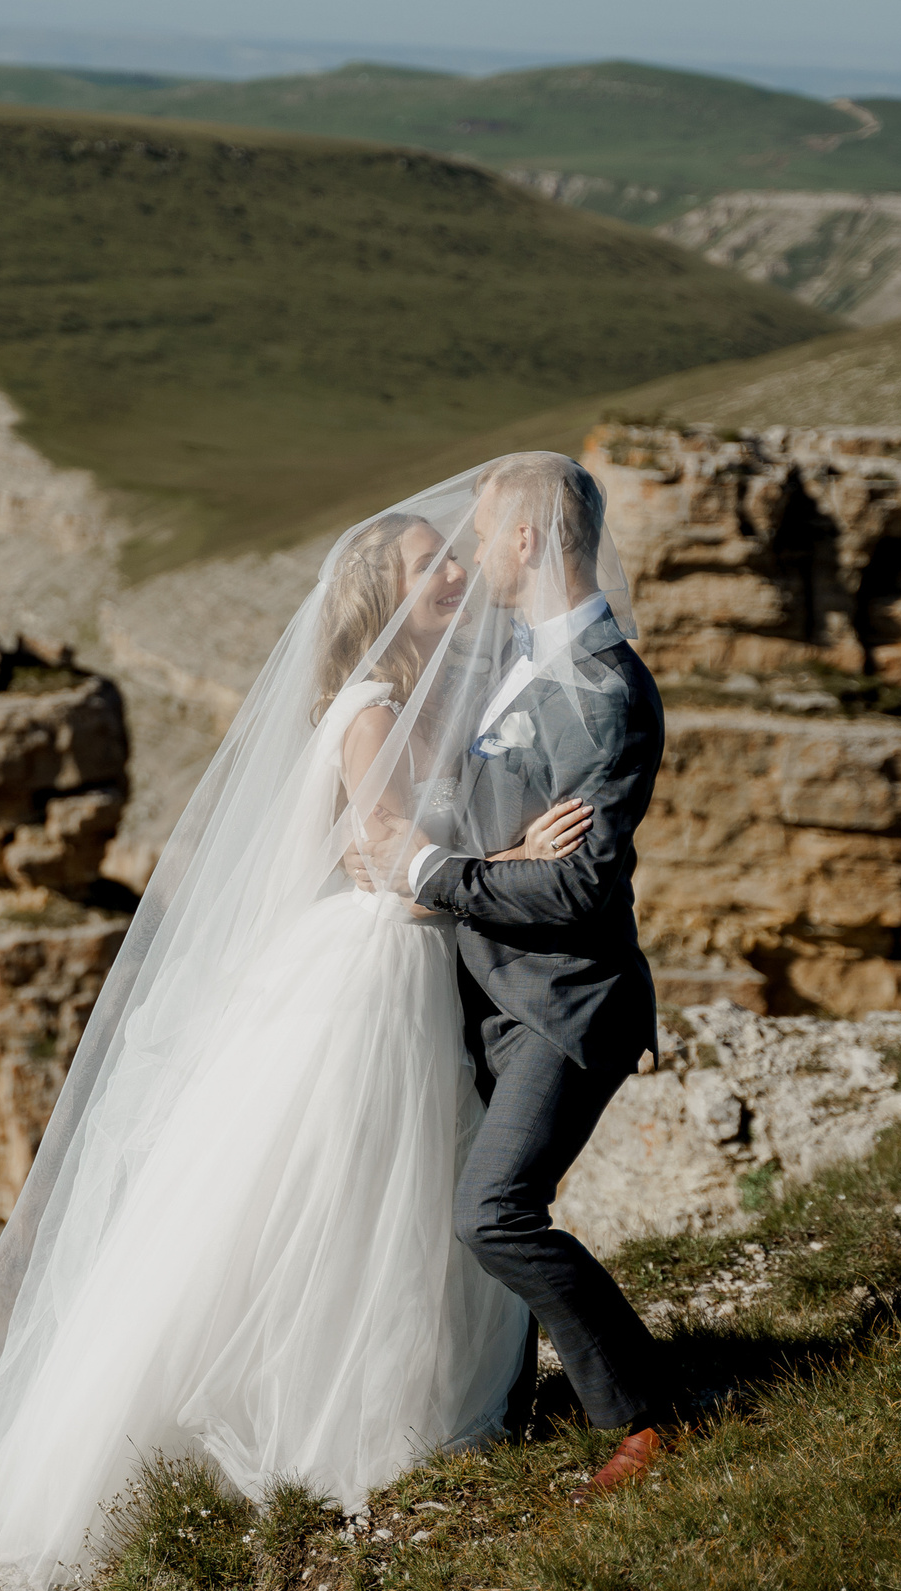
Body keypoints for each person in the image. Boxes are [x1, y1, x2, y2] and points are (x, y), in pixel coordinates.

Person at [0, 457, 636, 1591]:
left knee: (392, 1194)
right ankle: (316, 1414)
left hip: (404, 972)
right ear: (380, 597)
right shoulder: (367, 713)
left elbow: (405, 852)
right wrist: (508, 859)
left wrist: (457, 860)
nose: (453, 568)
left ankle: (424, 1391)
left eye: (455, 554)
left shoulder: (433, 694)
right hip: (370, 971)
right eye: (427, 563)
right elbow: (401, 877)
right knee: (341, 1190)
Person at [351, 451, 674, 1501]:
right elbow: (471, 810)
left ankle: (650, 1418)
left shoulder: (603, 689)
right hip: (491, 995)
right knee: (467, 1209)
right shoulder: (516, 661)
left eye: (484, 534)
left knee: (494, 1212)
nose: (472, 552)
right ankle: (509, 1392)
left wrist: (433, 872)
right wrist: (467, 854)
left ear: (526, 541)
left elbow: (578, 892)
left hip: (563, 1003)